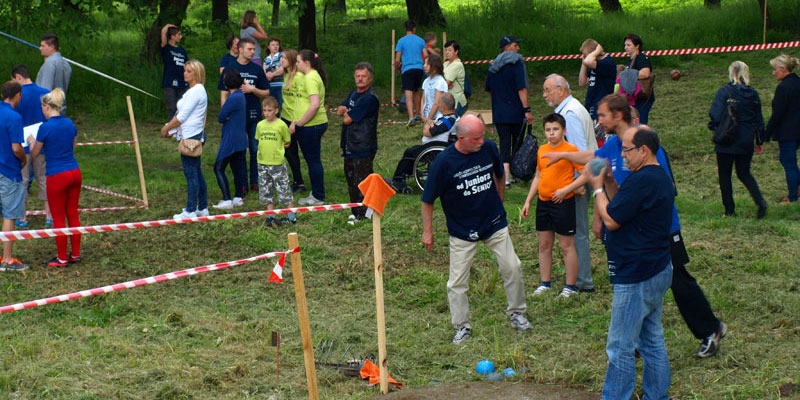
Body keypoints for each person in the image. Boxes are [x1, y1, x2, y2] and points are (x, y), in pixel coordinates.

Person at [547, 95, 729, 359]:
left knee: (678, 280)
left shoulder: (644, 144)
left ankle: (711, 329)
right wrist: (564, 156)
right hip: (630, 229)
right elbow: (596, 163)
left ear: (618, 116)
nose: (599, 120)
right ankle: (635, 341)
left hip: (660, 228)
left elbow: (663, 187)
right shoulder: (613, 145)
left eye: (603, 115)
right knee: (637, 283)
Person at [421, 114, 532, 344]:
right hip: (462, 228)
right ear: (461, 138)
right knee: (457, 282)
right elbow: (428, 199)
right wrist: (427, 231)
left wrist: (500, 202)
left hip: (492, 222)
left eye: (483, 136)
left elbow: (500, 175)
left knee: (512, 266)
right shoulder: (443, 163)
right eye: (477, 138)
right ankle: (462, 327)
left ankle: (517, 313)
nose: (483, 141)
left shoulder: (488, 148)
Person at [589, 126, 673, 400]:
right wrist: (611, 183)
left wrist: (597, 189)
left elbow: (612, 220)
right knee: (651, 340)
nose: (622, 155)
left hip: (637, 273)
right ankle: (657, 396)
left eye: (626, 149)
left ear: (644, 150)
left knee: (620, 346)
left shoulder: (643, 180)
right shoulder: (656, 176)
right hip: (657, 266)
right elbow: (626, 203)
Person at [542, 73, 597, 293]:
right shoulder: (569, 109)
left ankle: (582, 281)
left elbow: (579, 151)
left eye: (547, 90)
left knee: (577, 231)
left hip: (576, 182)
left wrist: (577, 185)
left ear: (561, 89)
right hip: (575, 181)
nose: (545, 95)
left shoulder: (570, 114)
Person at [521, 113, 582, 298]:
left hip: (563, 203)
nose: (552, 133)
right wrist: (528, 200)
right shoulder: (542, 150)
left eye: (555, 129)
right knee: (544, 244)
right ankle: (545, 283)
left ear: (563, 130)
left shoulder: (570, 149)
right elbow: (539, 175)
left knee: (566, 245)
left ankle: (570, 286)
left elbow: (585, 172)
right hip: (544, 202)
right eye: (548, 130)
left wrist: (568, 189)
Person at [708, 61, 768, 218]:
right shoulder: (753, 94)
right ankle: (760, 201)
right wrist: (759, 141)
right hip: (746, 138)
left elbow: (714, 113)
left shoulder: (725, 91)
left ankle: (729, 210)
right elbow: (759, 120)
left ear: (731, 73)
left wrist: (714, 126)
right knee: (744, 173)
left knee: (725, 175)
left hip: (726, 137)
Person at [30, 88, 81, 268]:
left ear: (47, 107)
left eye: (42, 107)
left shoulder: (45, 127)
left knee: (58, 217)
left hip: (57, 175)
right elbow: (73, 147)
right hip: (74, 171)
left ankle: (61, 258)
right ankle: (75, 254)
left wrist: (30, 142)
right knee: (73, 213)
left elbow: (35, 153)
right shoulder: (69, 124)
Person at [160, 59, 209, 220]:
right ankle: (202, 206)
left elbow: (182, 116)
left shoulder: (196, 91)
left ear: (197, 73)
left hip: (191, 136)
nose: (185, 73)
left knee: (191, 174)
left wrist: (167, 128)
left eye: (189, 71)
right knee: (196, 172)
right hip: (190, 133)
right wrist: (173, 130)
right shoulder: (193, 90)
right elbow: (183, 116)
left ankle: (190, 210)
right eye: (185, 70)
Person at [220, 38, 269, 192]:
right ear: (240, 50)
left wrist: (253, 90)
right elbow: (223, 94)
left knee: (255, 149)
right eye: (249, 49)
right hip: (236, 118)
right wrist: (225, 112)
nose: (253, 52)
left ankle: (255, 181)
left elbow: (266, 92)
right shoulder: (230, 68)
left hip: (253, 114)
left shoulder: (257, 69)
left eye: (253, 49)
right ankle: (241, 184)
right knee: (240, 150)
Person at [485, 35, 534, 186]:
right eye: (515, 45)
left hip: (499, 112)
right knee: (517, 143)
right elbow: (522, 88)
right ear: (507, 48)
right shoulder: (517, 63)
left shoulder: (493, 67)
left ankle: (505, 176)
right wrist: (526, 109)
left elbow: (489, 89)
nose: (518, 48)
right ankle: (516, 170)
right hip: (515, 111)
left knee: (504, 143)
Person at [336, 62, 379, 224]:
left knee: (362, 181)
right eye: (358, 76)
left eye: (364, 76)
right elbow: (341, 108)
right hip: (349, 144)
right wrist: (345, 110)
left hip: (363, 146)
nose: (360, 79)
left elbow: (347, 119)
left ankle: (364, 214)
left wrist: (345, 112)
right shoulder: (354, 94)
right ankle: (355, 211)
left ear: (370, 78)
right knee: (350, 179)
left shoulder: (370, 99)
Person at [389, 92, 458, 193]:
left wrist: (427, 123)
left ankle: (398, 179)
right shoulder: (450, 118)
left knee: (409, 152)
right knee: (411, 151)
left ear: (443, 106)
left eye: (439, 103)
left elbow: (427, 132)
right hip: (434, 146)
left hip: (434, 149)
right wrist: (430, 123)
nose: (438, 105)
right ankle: (403, 174)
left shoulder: (448, 120)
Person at [11, 64, 52, 229]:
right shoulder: (44, 92)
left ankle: (22, 216)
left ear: (18, 78)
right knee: (44, 179)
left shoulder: (17, 95)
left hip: (22, 145)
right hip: (41, 143)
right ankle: (49, 215)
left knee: (23, 181)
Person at [291, 49, 328, 206]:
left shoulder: (311, 78)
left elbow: (314, 105)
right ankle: (316, 192)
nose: (296, 64)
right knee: (312, 160)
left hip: (311, 126)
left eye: (298, 61)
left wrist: (300, 123)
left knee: (313, 161)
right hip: (309, 125)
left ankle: (318, 195)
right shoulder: (308, 77)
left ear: (307, 63)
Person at [0, 81, 29, 271]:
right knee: (9, 215)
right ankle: (7, 259)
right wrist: (24, 160)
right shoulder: (14, 117)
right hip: (8, 170)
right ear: (18, 95)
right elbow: (17, 148)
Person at [255, 97, 296, 227]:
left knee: (284, 189)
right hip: (262, 163)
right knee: (266, 190)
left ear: (276, 110)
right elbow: (258, 139)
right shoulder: (260, 125)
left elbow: (287, 141)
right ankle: (270, 216)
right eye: (264, 110)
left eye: (270, 110)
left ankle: (291, 216)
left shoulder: (281, 125)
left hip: (277, 163)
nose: (267, 113)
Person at [765, 54, 800, 203]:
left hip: (788, 132)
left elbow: (777, 113)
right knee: (788, 160)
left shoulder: (783, 88)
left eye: (774, 70)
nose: (773, 73)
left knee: (788, 162)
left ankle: (793, 196)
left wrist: (766, 134)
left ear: (783, 69)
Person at [212, 69, 248, 210]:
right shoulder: (241, 96)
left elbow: (221, 116)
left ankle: (226, 199)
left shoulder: (232, 98)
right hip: (240, 138)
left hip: (231, 139)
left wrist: (226, 116)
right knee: (237, 168)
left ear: (226, 84)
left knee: (218, 168)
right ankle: (238, 197)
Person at [279, 49, 306, 194]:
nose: (281, 60)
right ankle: (297, 180)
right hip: (285, 116)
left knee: (296, 150)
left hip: (296, 119)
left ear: (291, 60)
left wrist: (294, 122)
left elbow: (299, 101)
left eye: (283, 58)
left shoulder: (299, 77)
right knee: (289, 151)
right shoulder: (286, 75)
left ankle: (300, 182)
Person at [394, 20, 427, 127]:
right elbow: (426, 55)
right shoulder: (421, 40)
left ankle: (411, 117)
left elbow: (398, 59)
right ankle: (418, 114)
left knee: (408, 94)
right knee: (417, 91)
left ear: (405, 29)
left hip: (407, 69)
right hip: (419, 68)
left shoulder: (401, 41)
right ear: (414, 28)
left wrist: (397, 66)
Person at [579, 39, 616, 120]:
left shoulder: (607, 63)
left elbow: (588, 61)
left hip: (602, 105)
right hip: (591, 103)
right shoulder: (593, 64)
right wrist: (583, 63)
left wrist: (596, 52)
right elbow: (581, 82)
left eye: (586, 55)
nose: (585, 58)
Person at [623, 33, 655, 124]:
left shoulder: (641, 58)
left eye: (629, 45)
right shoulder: (631, 60)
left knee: (640, 123)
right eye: (625, 45)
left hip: (642, 97)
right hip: (634, 98)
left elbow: (645, 73)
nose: (626, 47)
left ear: (637, 46)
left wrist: (628, 74)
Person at [159, 24, 188, 119]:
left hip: (182, 82)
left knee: (182, 107)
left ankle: (181, 129)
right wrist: (167, 26)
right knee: (172, 107)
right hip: (170, 82)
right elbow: (163, 34)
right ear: (172, 36)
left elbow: (187, 65)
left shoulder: (182, 50)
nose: (181, 36)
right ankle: (171, 128)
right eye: (178, 34)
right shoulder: (166, 48)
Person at [36, 33, 71, 108]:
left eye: (43, 46)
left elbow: (45, 91)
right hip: (61, 106)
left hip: (49, 109)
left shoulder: (50, 64)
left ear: (52, 47)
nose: (40, 48)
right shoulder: (65, 63)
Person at [420, 54, 448, 124]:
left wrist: (429, 119)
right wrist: (422, 114)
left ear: (435, 66)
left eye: (427, 64)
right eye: (424, 63)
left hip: (438, 118)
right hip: (427, 117)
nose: (424, 66)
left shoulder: (440, 81)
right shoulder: (426, 81)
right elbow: (423, 99)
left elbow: (437, 103)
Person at [443, 40, 468, 116]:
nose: (447, 52)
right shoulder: (445, 63)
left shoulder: (457, 64)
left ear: (456, 51)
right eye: (446, 50)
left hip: (457, 101)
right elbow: (440, 81)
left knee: (455, 125)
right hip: (447, 100)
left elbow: (444, 84)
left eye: (450, 50)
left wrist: (445, 83)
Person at [263, 37, 285, 108]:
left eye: (277, 44)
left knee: (281, 106)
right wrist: (266, 76)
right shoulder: (266, 59)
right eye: (273, 45)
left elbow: (283, 68)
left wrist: (272, 75)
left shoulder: (282, 55)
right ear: (268, 47)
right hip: (270, 86)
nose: (275, 46)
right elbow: (263, 71)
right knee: (272, 106)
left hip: (280, 85)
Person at [219, 34, 239, 105]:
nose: (239, 46)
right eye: (237, 44)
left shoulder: (241, 58)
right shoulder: (225, 58)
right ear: (231, 45)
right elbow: (222, 72)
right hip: (227, 83)